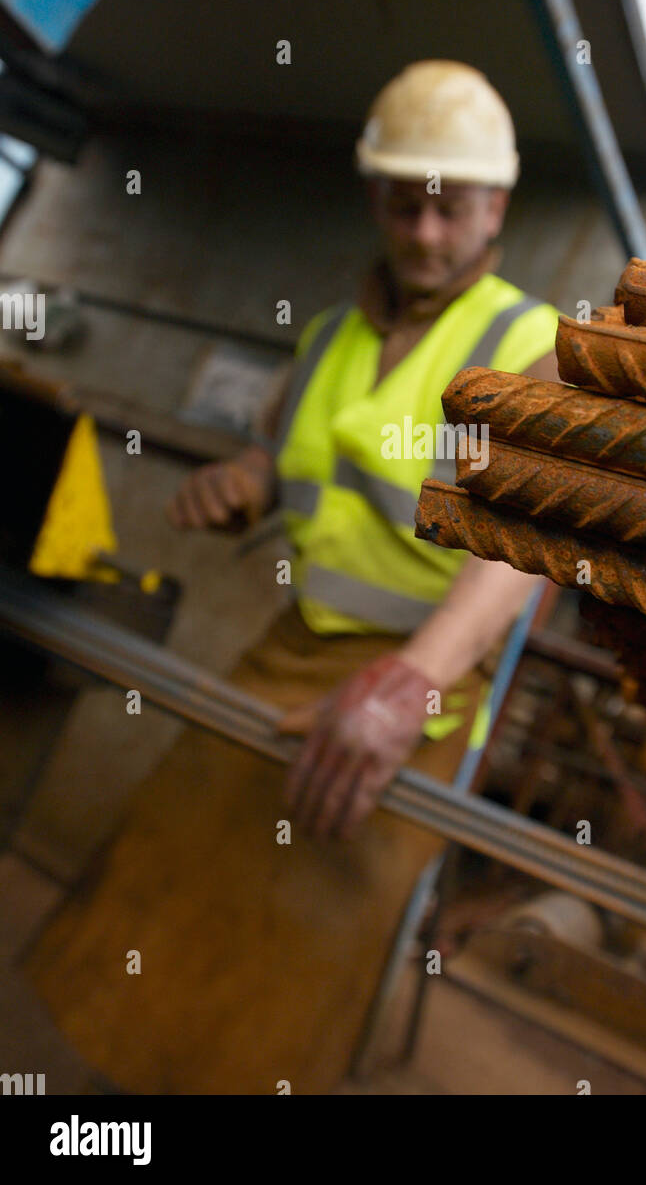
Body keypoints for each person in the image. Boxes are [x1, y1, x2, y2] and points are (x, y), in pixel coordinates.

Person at [26, 61, 562, 1093]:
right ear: (374, 198)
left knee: (289, 957)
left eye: (452, 208)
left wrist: (410, 682)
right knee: (163, 878)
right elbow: (294, 457)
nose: (426, 232)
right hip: (285, 651)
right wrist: (248, 477)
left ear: (499, 203)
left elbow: (523, 543)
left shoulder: (524, 343)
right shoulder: (325, 339)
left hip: (414, 699)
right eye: (405, 205)